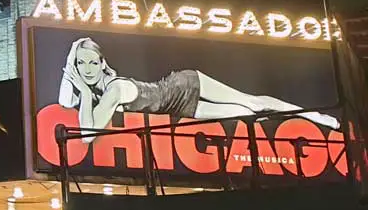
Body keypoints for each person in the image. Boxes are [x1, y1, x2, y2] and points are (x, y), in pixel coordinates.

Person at [59, 37, 340, 138]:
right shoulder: (94, 89)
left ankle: (315, 116)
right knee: (243, 113)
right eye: (80, 64)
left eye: (92, 63)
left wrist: (83, 92)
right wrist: (76, 79)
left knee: (252, 102)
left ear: (101, 62)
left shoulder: (112, 90)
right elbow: (64, 103)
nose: (87, 69)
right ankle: (290, 119)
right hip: (176, 107)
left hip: (181, 85)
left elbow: (86, 136)